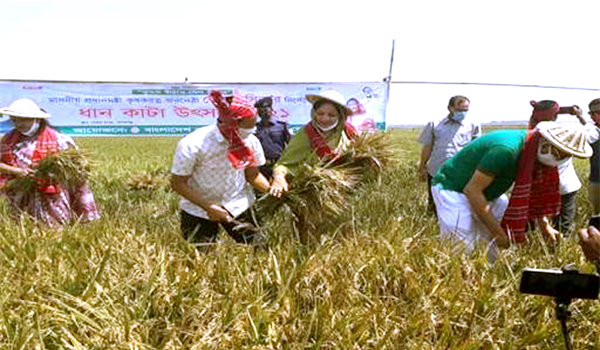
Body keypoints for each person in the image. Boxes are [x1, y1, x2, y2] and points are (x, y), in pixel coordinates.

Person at [431, 121, 592, 261]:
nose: (561, 158)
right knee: (462, 243)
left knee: (494, 244)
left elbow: (534, 193)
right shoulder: (506, 150)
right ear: (546, 141)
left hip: (488, 191)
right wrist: (498, 233)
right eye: (560, 152)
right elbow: (472, 191)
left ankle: (487, 279)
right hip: (453, 188)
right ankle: (460, 283)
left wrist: (545, 226)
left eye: (567, 155)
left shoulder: (532, 151)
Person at [170, 90, 270, 246]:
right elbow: (178, 183)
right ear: (231, 124)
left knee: (260, 249)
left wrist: (273, 192)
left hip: (239, 205)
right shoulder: (193, 143)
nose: (252, 131)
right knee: (202, 261)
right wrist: (208, 206)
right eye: (248, 127)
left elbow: (252, 175)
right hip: (198, 210)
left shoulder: (250, 141)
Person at [0, 98, 99, 226]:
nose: (18, 124)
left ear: (36, 119)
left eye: (23, 119)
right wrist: (17, 171)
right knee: (22, 227)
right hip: (20, 191)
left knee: (53, 227)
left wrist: (51, 173)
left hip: (52, 192)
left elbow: (77, 166)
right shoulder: (8, 140)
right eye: (15, 120)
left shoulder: (59, 140)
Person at [269, 90, 358, 199]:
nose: (325, 119)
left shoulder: (349, 133)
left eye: (332, 115)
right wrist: (279, 178)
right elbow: (283, 164)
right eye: (320, 113)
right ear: (314, 113)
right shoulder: (305, 134)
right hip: (313, 195)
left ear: (340, 116)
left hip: (345, 194)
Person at [417, 95, 481, 213]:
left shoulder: (473, 125)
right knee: (434, 202)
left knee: (460, 202)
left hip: (461, 170)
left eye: (466, 110)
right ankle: (433, 226)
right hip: (436, 170)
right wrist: (422, 166)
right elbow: (427, 147)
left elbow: (476, 148)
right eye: (460, 110)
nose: (463, 113)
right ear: (450, 108)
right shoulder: (434, 124)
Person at [528, 100, 583, 234]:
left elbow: (544, 112)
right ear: (555, 115)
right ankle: (560, 248)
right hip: (566, 186)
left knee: (542, 223)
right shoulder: (566, 131)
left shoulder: (532, 133)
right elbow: (588, 130)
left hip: (541, 187)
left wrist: (565, 110)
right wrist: (578, 115)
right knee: (564, 223)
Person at [254, 96, 291, 179]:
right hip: (261, 167)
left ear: (271, 110)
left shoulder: (281, 126)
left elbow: (291, 145)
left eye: (266, 110)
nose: (265, 113)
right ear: (258, 113)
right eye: (261, 111)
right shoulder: (254, 128)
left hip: (279, 165)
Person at [576, 98, 600, 220]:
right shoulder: (594, 130)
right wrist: (580, 117)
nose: (591, 117)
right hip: (595, 180)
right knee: (596, 214)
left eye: (593, 114)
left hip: (596, 180)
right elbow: (589, 127)